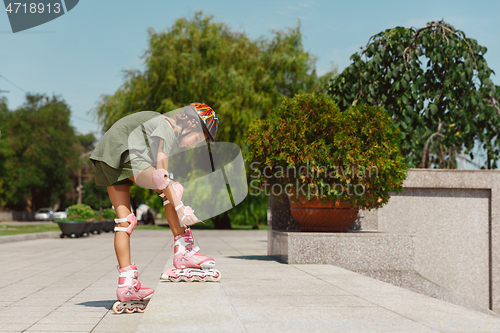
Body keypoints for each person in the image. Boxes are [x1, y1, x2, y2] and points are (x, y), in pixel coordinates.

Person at [89, 103, 220, 314]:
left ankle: (127, 284)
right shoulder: (167, 126)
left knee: (125, 222)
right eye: (197, 139)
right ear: (191, 124)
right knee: (172, 187)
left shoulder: (159, 126)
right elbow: (161, 173)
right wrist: (181, 209)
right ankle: (183, 252)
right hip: (124, 150)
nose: (194, 145)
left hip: (107, 154)